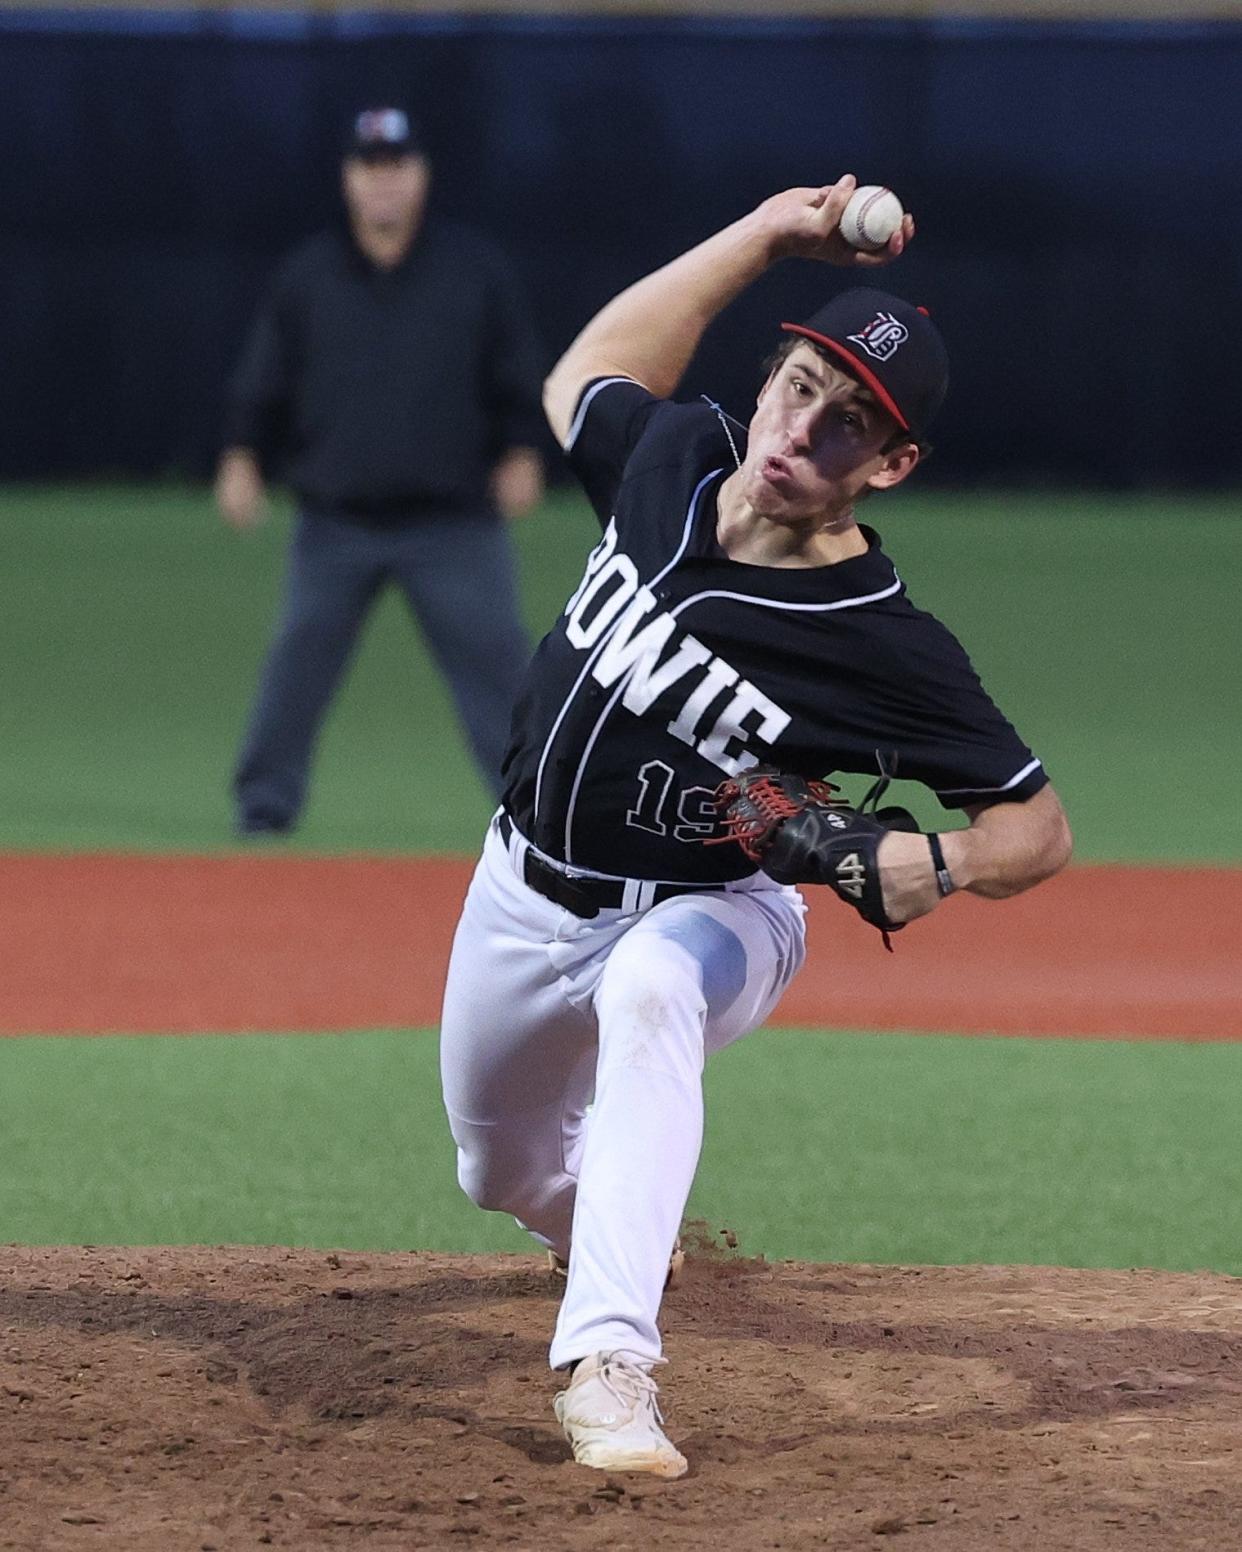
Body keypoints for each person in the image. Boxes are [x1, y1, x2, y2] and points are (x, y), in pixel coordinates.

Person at [438, 175, 1072, 1478]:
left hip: (717, 908)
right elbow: (585, 376)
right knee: (492, 1174)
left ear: (890, 466)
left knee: (654, 996)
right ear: (771, 373)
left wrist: (931, 862)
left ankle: (610, 1366)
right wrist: (763, 236)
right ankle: (601, 1220)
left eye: (851, 426)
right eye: (800, 387)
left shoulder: (879, 637)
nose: (803, 431)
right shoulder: (674, 457)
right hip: (518, 892)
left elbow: (1036, 829)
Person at [217, 107, 545, 835]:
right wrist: (243, 455)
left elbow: (516, 372)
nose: (384, 183)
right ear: (349, 179)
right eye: (371, 168)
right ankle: (263, 808)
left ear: (420, 175)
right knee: (296, 668)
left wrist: (523, 449)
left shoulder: (472, 270)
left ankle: (538, 810)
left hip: (454, 522)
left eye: (398, 166)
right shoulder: (308, 275)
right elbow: (263, 379)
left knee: (501, 674)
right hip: (337, 522)